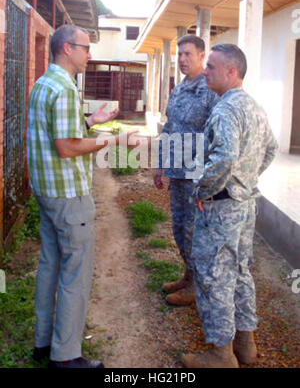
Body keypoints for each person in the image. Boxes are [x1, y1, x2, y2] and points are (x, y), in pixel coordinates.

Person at [27, 24, 136, 369]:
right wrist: (114, 139)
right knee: (75, 273)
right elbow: (67, 147)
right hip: (69, 196)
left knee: (50, 266)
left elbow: (59, 133)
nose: (89, 54)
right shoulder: (65, 88)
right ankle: (66, 356)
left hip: (47, 193)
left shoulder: (45, 83)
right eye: (85, 47)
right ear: (66, 49)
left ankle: (44, 342)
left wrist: (91, 120)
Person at [182, 44, 278, 368]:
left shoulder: (226, 109)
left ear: (231, 72)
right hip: (245, 205)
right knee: (240, 272)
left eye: (211, 66)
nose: (205, 71)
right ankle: (246, 345)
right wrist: (247, 180)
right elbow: (271, 150)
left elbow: (223, 159)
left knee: (214, 276)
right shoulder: (254, 107)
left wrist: (204, 190)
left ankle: (221, 354)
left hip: (222, 208)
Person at [153, 35, 218, 306]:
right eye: (179, 54)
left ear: (202, 56)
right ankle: (188, 276)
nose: (181, 59)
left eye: (188, 54)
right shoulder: (179, 89)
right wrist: (160, 164)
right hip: (177, 175)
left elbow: (217, 137)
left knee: (195, 234)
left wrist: (208, 179)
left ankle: (197, 288)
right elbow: (170, 128)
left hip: (196, 178)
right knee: (180, 230)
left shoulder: (211, 90)